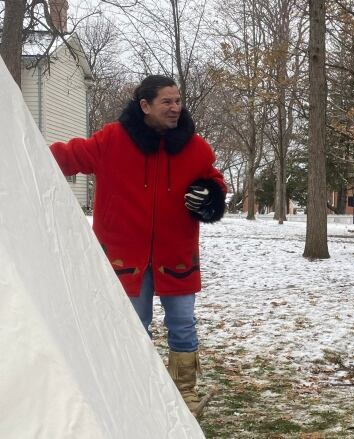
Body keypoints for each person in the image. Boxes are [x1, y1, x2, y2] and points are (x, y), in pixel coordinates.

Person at [49, 75, 226, 413]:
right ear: (145, 106)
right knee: (132, 327)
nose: (176, 108)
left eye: (178, 101)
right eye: (167, 102)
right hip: (124, 258)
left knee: (183, 326)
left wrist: (211, 197)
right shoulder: (113, 140)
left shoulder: (196, 147)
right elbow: (68, 156)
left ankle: (184, 395)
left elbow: (215, 182)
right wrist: (19, 147)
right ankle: (133, 393)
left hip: (176, 255)